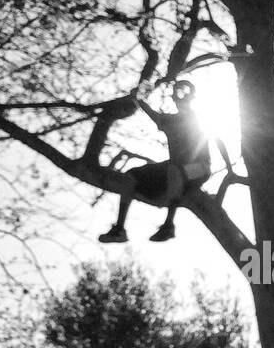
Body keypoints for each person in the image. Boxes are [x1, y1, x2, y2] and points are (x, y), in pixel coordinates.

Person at [97, 79, 229, 243]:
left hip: (201, 168)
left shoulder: (197, 118)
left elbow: (217, 138)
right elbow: (150, 112)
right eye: (177, 93)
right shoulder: (168, 121)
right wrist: (137, 97)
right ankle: (119, 229)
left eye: (185, 93)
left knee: (175, 170)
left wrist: (229, 169)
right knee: (131, 175)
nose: (180, 97)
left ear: (191, 97)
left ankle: (168, 225)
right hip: (175, 167)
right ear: (173, 97)